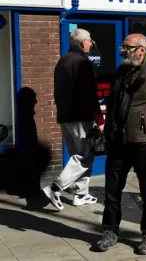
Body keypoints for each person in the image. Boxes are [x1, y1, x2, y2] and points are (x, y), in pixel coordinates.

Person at [95, 34, 146, 255]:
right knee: (112, 191)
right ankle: (110, 231)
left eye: (127, 47)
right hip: (118, 143)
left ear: (142, 50)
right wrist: (108, 132)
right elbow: (112, 105)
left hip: (145, 143)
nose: (122, 50)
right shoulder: (121, 72)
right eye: (122, 47)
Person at [43, 29, 104, 210]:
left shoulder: (63, 61)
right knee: (84, 156)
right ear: (82, 42)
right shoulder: (82, 63)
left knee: (80, 155)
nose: (91, 43)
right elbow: (90, 94)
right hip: (80, 117)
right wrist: (100, 120)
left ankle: (81, 194)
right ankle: (55, 187)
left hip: (66, 117)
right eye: (89, 40)